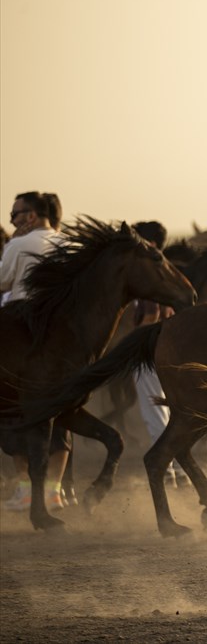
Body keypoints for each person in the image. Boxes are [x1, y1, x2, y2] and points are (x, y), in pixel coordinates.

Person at [1, 192, 71, 511]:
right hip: (61, 342)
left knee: (13, 413)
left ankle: (26, 492)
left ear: (30, 216)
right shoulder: (70, 245)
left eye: (15, 214)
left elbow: (3, 282)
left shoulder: (19, 244)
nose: (12, 220)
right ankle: (55, 492)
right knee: (60, 418)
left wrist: (9, 246)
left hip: (20, 338)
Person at [130, 221, 187, 488]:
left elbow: (151, 316)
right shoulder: (167, 274)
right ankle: (179, 469)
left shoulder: (150, 278)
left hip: (149, 353)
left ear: (150, 244)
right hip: (168, 351)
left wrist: (129, 345)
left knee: (154, 414)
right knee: (167, 413)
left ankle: (166, 471)